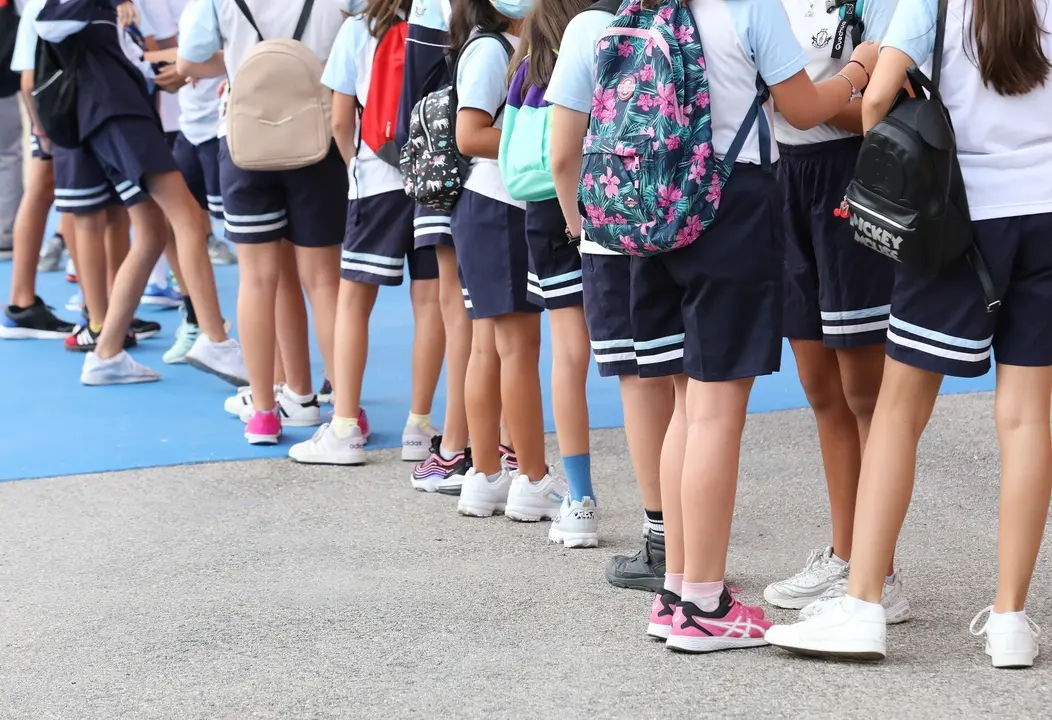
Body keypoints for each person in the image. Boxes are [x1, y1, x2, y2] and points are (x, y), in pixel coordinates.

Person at [766, 0, 1052, 669]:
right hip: (1044, 211)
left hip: (959, 219)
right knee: (1026, 419)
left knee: (897, 412)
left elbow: (875, 99)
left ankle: (864, 603)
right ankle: (1010, 619)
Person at [585, 0, 877, 652]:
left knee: (687, 407)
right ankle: (705, 603)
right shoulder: (748, 7)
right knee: (716, 410)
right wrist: (858, 70)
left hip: (653, 210)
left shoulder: (642, 6)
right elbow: (803, 108)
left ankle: (678, 592)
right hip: (728, 205)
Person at [762, 0, 907, 621]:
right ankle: (845, 554)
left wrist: (800, 102)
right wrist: (809, 98)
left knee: (864, 392)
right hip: (783, 178)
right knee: (819, 384)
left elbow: (885, 106)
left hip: (852, 177)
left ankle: (880, 572)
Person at [34, 0, 243, 386]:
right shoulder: (82, 7)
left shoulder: (109, 13)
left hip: (122, 115)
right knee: (187, 218)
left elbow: (122, 54)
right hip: (119, 117)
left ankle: (106, 354)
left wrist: (166, 70)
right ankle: (215, 339)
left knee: (152, 232)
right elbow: (48, 24)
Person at [177, 0, 348, 444]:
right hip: (317, 133)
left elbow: (188, 61)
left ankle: (266, 412)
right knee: (323, 282)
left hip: (246, 138)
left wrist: (244, 65)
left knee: (257, 280)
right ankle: (345, 414)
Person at [547, 0, 676, 585]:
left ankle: (662, 538)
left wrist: (578, 224)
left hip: (614, 227)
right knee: (688, 382)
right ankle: (696, 536)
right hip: (686, 219)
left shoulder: (589, 27)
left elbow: (562, 151)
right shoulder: (685, 16)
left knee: (640, 381)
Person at [288, 0, 446, 466]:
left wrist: (354, 165)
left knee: (354, 302)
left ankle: (344, 427)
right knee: (430, 302)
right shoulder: (445, 20)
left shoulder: (360, 27)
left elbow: (340, 118)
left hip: (375, 179)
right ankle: (419, 426)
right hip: (433, 180)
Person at [448, 0, 565, 526]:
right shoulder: (492, 49)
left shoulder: (507, 46)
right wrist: (541, 141)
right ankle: (532, 478)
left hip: (490, 209)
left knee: (490, 347)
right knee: (515, 348)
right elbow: (469, 133)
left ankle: (487, 474)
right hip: (499, 206)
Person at [501, 0, 601, 546]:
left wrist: (569, 222)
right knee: (643, 357)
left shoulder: (528, 68)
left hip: (547, 212)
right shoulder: (603, 46)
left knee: (568, 355)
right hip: (610, 199)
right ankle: (660, 507)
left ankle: (580, 498)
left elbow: (524, 152)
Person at [403, 0, 476, 494]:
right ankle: (488, 447)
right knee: (494, 318)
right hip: (504, 166)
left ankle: (458, 448)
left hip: (445, 170)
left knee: (465, 310)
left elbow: (417, 91)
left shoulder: (431, 9)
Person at [0, 0, 75, 339]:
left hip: (58, 108)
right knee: (67, 193)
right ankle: (99, 311)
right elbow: (28, 80)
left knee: (54, 189)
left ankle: (98, 308)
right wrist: (43, 130)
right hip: (59, 109)